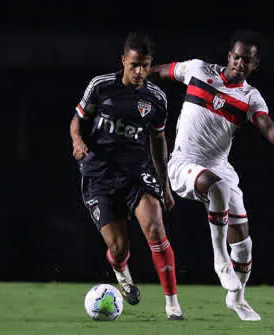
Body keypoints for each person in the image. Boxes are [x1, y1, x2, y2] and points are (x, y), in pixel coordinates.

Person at [150, 30, 274, 321]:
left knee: (243, 244)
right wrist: (135, 76)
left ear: (255, 65)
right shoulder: (198, 69)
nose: (240, 63)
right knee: (216, 189)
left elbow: (270, 132)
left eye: (248, 60)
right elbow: (160, 71)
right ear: (230, 55)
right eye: (238, 56)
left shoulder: (250, 96)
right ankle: (220, 261)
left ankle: (237, 299)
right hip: (183, 162)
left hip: (219, 165)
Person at [70, 32, 184, 320]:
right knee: (119, 249)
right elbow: (77, 121)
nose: (139, 72)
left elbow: (158, 142)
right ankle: (122, 274)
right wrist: (77, 142)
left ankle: (173, 306)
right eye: (134, 65)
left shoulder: (156, 98)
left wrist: (165, 185)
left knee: (155, 226)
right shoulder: (101, 86)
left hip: (136, 173)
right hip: (99, 174)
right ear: (123, 61)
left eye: (145, 65)